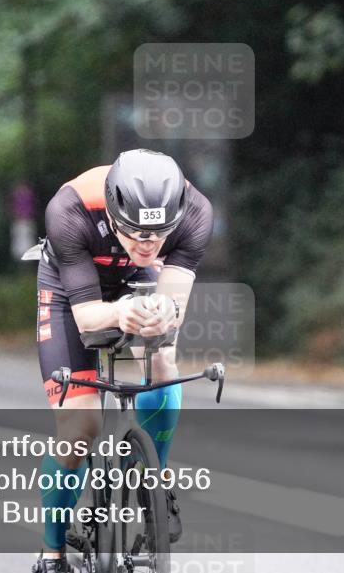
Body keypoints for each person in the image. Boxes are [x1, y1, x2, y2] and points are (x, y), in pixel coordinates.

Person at [32, 149, 214, 572]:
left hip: (141, 279)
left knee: (163, 357)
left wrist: (164, 312)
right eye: (134, 233)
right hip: (71, 286)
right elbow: (88, 320)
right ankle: (52, 552)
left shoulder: (196, 212)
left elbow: (173, 302)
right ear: (113, 215)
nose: (147, 244)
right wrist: (119, 312)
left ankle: (157, 480)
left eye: (158, 235)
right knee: (80, 428)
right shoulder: (69, 209)